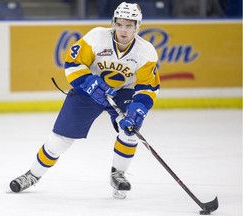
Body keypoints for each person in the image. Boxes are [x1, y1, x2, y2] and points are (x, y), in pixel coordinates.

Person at [9, 1, 160, 199]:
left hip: (124, 93)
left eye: (129, 26)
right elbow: (72, 63)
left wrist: (138, 109)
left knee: (130, 130)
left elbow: (147, 87)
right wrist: (88, 81)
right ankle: (32, 175)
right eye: (120, 24)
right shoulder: (97, 37)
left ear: (137, 27)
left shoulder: (146, 52)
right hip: (89, 90)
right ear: (113, 22)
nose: (123, 30)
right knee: (60, 141)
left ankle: (118, 174)